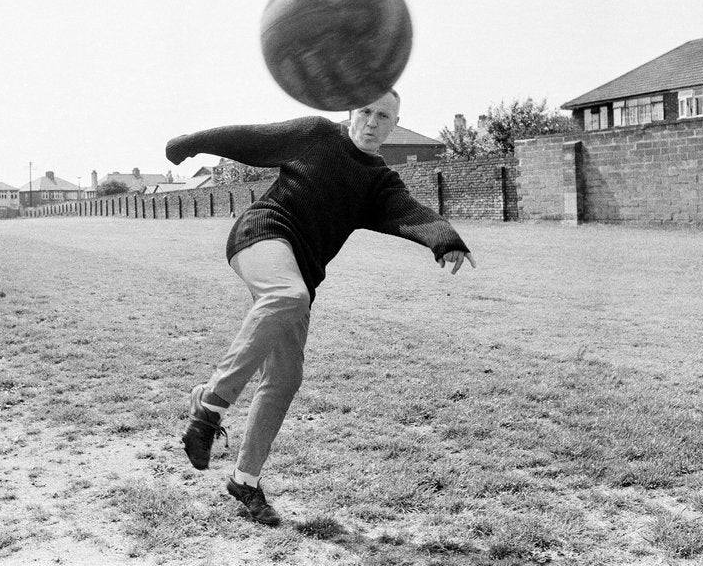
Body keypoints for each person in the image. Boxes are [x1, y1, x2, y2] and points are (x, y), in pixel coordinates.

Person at [164, 90, 476, 526]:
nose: (371, 122)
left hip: (301, 270)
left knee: (286, 377)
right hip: (262, 233)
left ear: (394, 124)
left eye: (383, 116)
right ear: (351, 112)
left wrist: (444, 237)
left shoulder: (378, 181)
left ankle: (245, 481)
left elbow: (409, 210)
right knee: (287, 297)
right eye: (365, 111)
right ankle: (210, 408)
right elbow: (253, 139)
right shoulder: (315, 134)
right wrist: (190, 142)